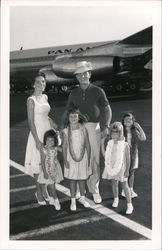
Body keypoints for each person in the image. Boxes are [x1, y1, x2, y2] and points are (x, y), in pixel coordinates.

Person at [61, 61, 112, 204]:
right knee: (77, 157)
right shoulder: (73, 92)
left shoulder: (98, 91)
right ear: (76, 77)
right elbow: (67, 111)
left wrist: (106, 125)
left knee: (94, 159)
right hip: (77, 128)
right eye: (80, 74)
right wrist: (61, 127)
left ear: (89, 74)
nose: (83, 76)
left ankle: (94, 190)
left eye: (85, 73)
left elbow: (107, 109)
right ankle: (78, 189)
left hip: (93, 127)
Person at [24, 75, 58, 205]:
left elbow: (46, 115)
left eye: (43, 82)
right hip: (37, 134)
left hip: (47, 132)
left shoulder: (45, 97)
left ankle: (44, 190)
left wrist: (53, 124)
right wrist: (37, 140)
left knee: (47, 163)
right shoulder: (31, 100)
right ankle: (38, 191)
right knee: (38, 165)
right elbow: (31, 121)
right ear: (33, 84)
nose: (41, 84)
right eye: (38, 82)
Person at [62, 107, 92, 211]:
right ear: (68, 118)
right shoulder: (66, 131)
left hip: (83, 156)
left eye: (75, 116)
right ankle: (73, 200)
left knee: (82, 179)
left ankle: (83, 199)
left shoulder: (83, 129)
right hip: (71, 158)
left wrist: (89, 158)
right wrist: (65, 160)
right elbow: (64, 146)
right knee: (73, 179)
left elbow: (87, 144)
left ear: (79, 117)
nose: (73, 118)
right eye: (71, 116)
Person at [101, 122, 133, 214]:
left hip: (122, 167)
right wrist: (102, 144)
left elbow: (128, 158)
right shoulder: (110, 143)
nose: (114, 134)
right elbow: (105, 155)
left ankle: (129, 204)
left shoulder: (125, 144)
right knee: (114, 182)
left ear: (121, 133)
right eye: (113, 132)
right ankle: (116, 199)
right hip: (112, 166)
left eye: (117, 132)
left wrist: (127, 170)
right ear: (110, 133)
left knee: (124, 185)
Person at [121, 112, 146, 198]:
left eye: (130, 119)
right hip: (123, 154)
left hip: (133, 154)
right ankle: (124, 189)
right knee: (124, 171)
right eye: (126, 119)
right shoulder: (121, 131)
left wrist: (138, 127)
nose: (128, 120)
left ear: (133, 121)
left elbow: (143, 138)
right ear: (123, 121)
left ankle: (130, 189)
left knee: (131, 172)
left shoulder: (134, 131)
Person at [38, 129, 63, 210]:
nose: (50, 142)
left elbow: (62, 148)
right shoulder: (44, 149)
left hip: (54, 169)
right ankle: (54, 199)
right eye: (48, 140)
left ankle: (54, 199)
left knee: (51, 185)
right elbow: (42, 162)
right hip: (46, 169)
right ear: (45, 140)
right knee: (47, 185)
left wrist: (58, 136)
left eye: (52, 140)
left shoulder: (55, 148)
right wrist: (45, 172)